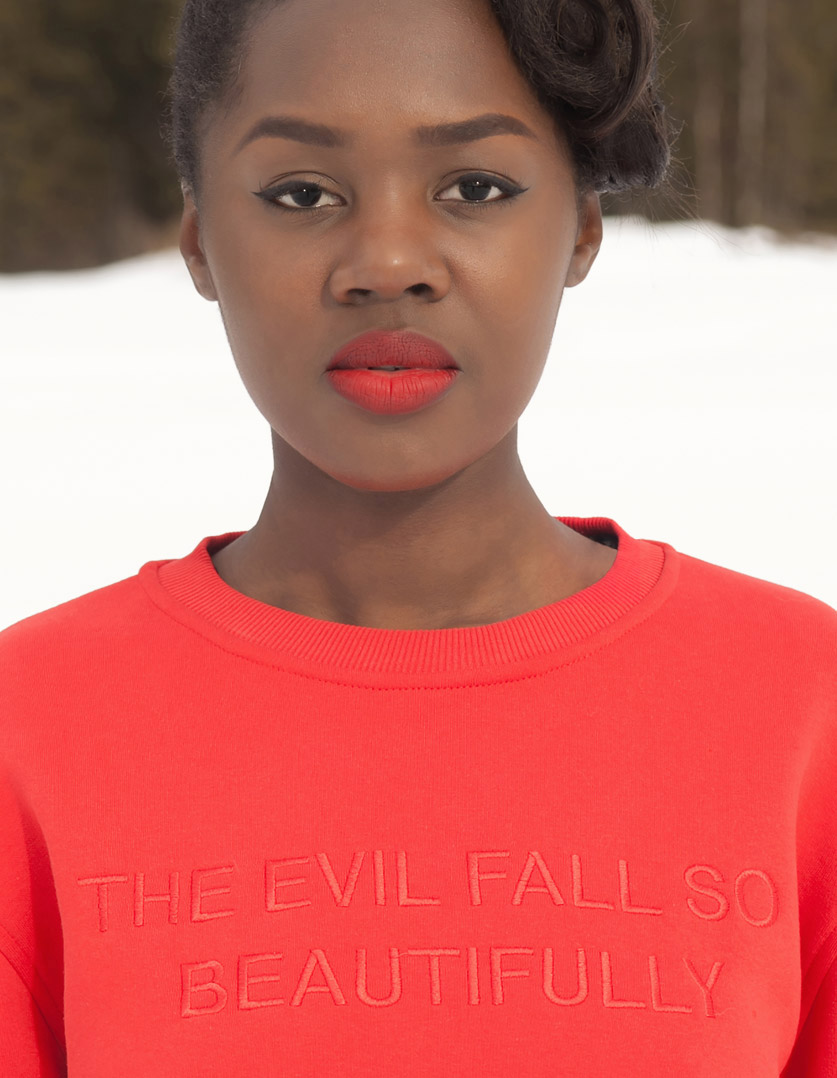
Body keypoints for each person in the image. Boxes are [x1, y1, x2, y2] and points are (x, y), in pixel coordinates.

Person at [0, 0, 834, 1073]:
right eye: (303, 193)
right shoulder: (31, 728)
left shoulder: (801, 707)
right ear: (201, 241)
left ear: (581, 229)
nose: (388, 262)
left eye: (474, 187)